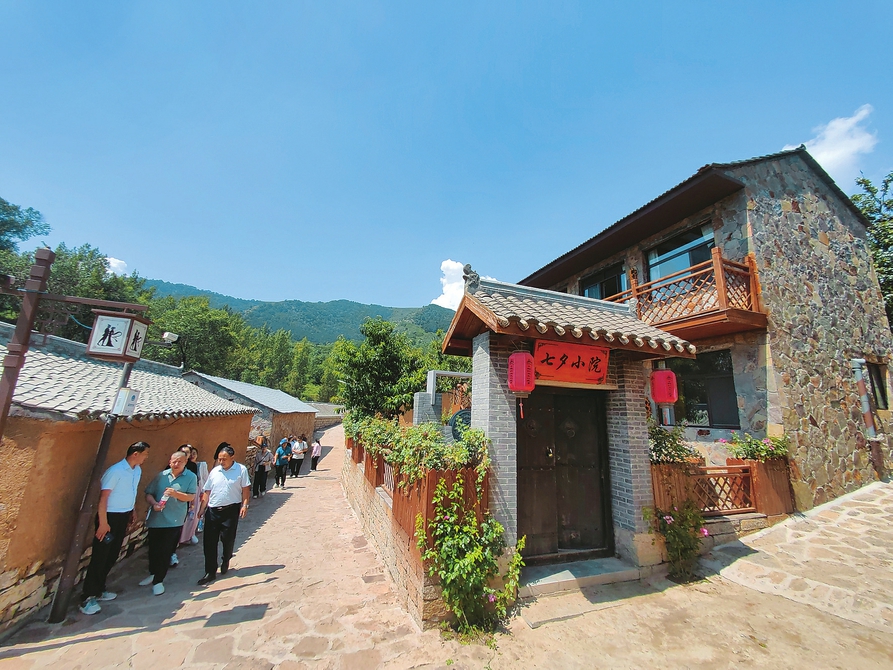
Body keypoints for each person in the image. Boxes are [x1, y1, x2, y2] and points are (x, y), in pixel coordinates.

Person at [79, 441, 150, 615]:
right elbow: (103, 498)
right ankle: (87, 596)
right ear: (135, 454)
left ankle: (99, 588)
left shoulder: (137, 471)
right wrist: (103, 523)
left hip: (123, 516)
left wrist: (132, 510)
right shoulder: (115, 471)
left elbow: (131, 491)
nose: (146, 457)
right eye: (145, 454)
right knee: (100, 556)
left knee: (112, 554)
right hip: (109, 518)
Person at [140, 451, 197, 595]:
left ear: (185, 462)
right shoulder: (161, 476)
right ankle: (153, 573)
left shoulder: (190, 477)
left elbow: (191, 496)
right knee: (153, 549)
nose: (176, 464)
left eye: (180, 461)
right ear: (169, 461)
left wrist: (176, 494)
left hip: (174, 519)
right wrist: (154, 504)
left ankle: (159, 580)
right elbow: (149, 493)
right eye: (174, 461)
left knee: (166, 550)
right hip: (157, 518)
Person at [196, 443, 250, 585]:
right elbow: (207, 491)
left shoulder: (241, 470)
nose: (221, 461)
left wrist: (245, 505)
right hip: (213, 511)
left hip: (231, 511)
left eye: (224, 459)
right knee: (209, 542)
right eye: (219, 459)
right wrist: (202, 508)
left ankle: (226, 559)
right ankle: (210, 571)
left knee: (227, 539)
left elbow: (245, 489)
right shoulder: (215, 471)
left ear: (232, 457)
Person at [179, 446, 205, 546]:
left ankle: (188, 535)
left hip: (190, 494)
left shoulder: (194, 466)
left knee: (190, 516)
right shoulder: (174, 465)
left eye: (189, 453)